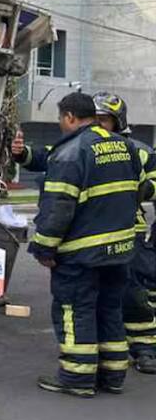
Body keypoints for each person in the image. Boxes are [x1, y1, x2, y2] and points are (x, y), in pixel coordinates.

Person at [27, 92, 144, 397]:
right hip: (120, 250)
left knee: (75, 311)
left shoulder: (70, 153)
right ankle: (113, 376)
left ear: (69, 117)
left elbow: (58, 209)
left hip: (82, 254)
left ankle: (77, 378)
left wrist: (43, 248)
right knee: (109, 311)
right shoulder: (125, 147)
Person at [91, 92, 156, 374]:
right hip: (91, 234)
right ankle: (103, 346)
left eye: (104, 120)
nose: (99, 125)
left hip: (129, 230)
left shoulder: (139, 151)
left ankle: (145, 347)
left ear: (118, 122)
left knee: (135, 292)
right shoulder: (82, 149)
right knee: (94, 292)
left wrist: (142, 188)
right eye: (94, 120)